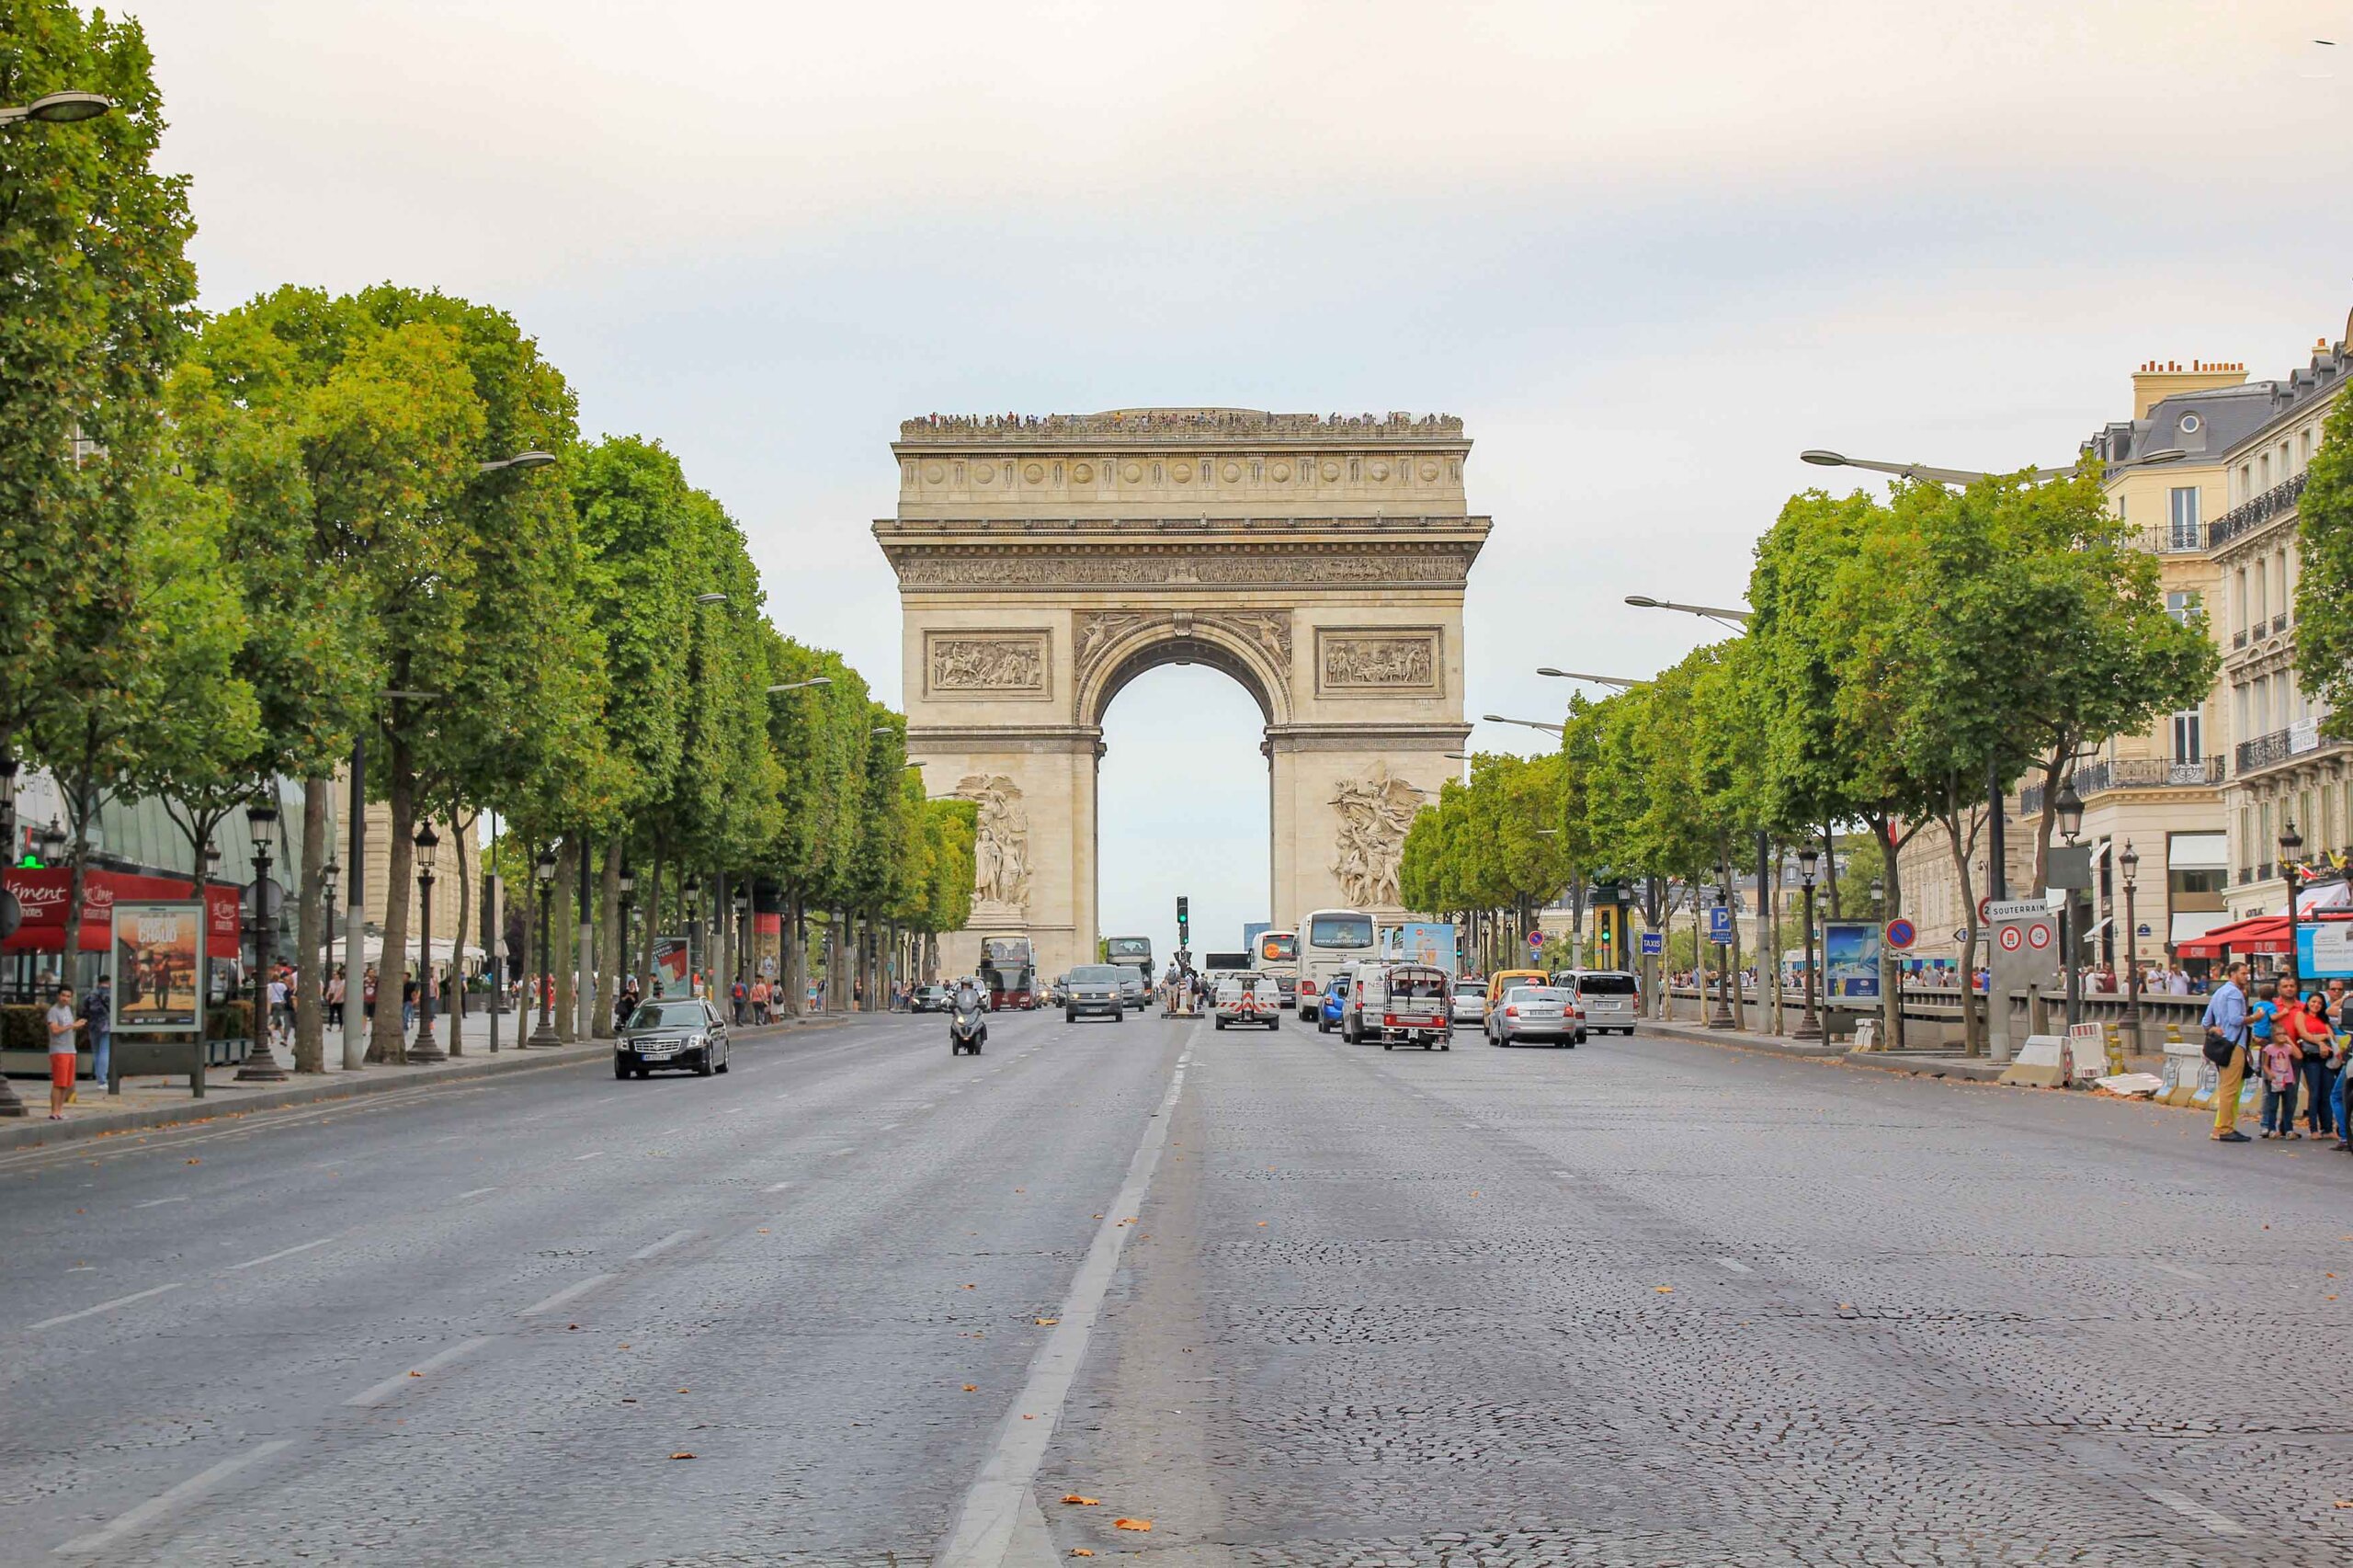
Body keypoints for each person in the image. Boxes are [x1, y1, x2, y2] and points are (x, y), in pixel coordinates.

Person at [2202, 961, 2253, 1143]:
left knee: (2227, 1086)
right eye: (2243, 973)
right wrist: (2255, 1017)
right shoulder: (2235, 993)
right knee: (2230, 1089)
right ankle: (2225, 1128)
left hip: (2221, 1045)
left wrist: (2214, 1029)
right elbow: (2235, 1019)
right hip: (2234, 1044)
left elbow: (2206, 1022)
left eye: (2247, 973)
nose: (2246, 976)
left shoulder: (2218, 992)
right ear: (2232, 974)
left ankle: (2222, 1127)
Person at [2259, 984, 2305, 1138]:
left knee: (2289, 1101)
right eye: (2285, 986)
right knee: (2271, 1102)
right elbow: (2265, 1064)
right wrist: (2269, 1073)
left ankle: (2287, 1128)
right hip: (2274, 1077)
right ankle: (2269, 1127)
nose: (2289, 989)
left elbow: (2299, 1055)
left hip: (2288, 1076)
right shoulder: (2271, 1005)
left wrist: (2289, 1040)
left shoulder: (2301, 1007)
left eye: (2292, 986)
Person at [2302, 985, 2340, 1142]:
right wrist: (2320, 1040)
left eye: (2319, 1003)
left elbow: (2331, 1037)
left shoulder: (2324, 1020)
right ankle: (2314, 1129)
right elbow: (2304, 1035)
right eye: (2313, 1001)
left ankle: (2327, 1128)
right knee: (2315, 1094)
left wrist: (2322, 1038)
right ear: (2308, 1002)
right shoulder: (2302, 1017)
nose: (2316, 1005)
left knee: (2327, 1094)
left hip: (2326, 1059)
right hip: (2311, 1059)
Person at [46, 985, 85, 1120]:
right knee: (58, 1083)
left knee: (66, 1084)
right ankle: (54, 1111)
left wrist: (76, 1026)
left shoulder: (68, 1010)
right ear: (58, 996)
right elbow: (55, 1030)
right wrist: (72, 1026)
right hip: (59, 1051)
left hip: (70, 1050)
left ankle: (59, 1110)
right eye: (63, 995)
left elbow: (68, 1029)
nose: (65, 999)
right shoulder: (53, 1011)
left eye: (68, 996)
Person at [82, 974, 112, 1092]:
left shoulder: (91, 994)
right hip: (106, 1025)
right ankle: (102, 1080)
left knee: (96, 1052)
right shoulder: (111, 994)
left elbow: (85, 1009)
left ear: (98, 982)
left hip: (93, 1025)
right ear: (109, 982)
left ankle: (99, 1077)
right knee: (105, 1050)